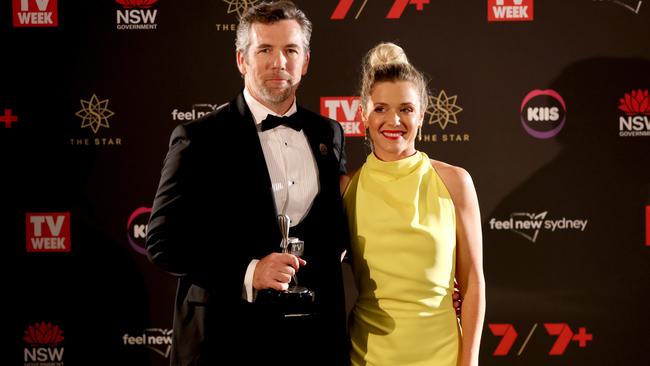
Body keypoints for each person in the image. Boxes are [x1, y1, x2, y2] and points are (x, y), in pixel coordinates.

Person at [145, 1, 349, 365]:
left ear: (305, 60)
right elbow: (163, 242)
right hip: (225, 339)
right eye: (265, 50)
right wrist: (250, 271)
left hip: (311, 341)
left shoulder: (327, 132)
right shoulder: (198, 138)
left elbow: (340, 227)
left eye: (290, 50)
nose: (278, 63)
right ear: (242, 60)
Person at [342, 42, 485, 366]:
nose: (393, 120)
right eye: (380, 108)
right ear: (363, 113)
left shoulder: (455, 182)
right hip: (368, 358)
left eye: (405, 109)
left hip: (444, 357)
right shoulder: (347, 189)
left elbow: (474, 281)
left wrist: (470, 361)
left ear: (421, 113)